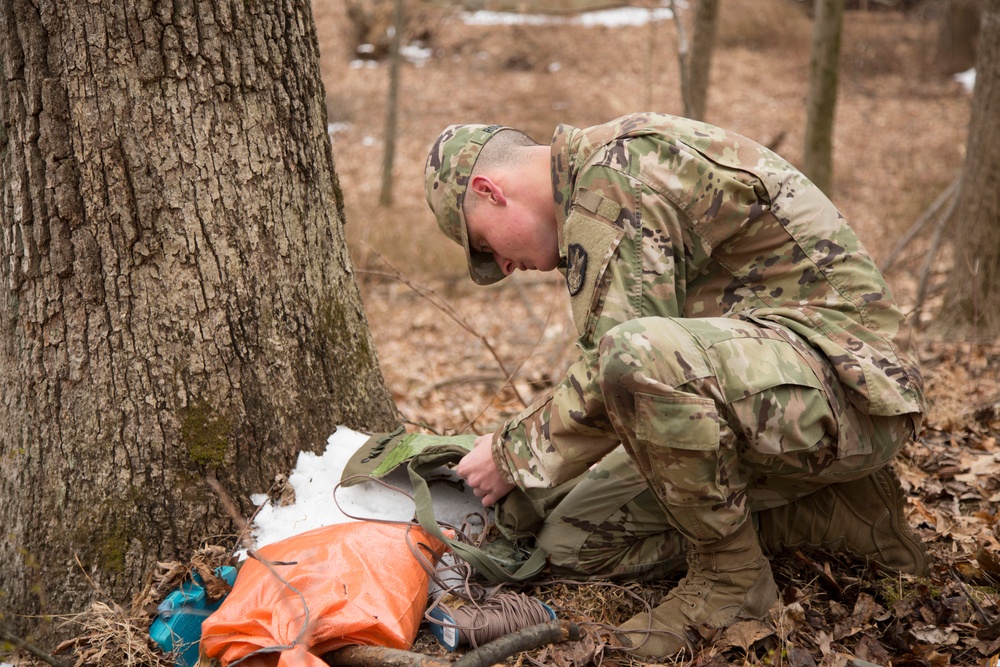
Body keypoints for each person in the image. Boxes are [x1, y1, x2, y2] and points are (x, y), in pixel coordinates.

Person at [423, 113, 928, 658]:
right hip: (773, 392)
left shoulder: (614, 175)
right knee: (570, 544)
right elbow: (629, 386)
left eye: (483, 243)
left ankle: (732, 582)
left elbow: (628, 363)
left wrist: (511, 455)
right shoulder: (598, 182)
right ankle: (837, 514)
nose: (502, 265)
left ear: (489, 190)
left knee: (635, 355)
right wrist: (523, 503)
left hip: (850, 386)